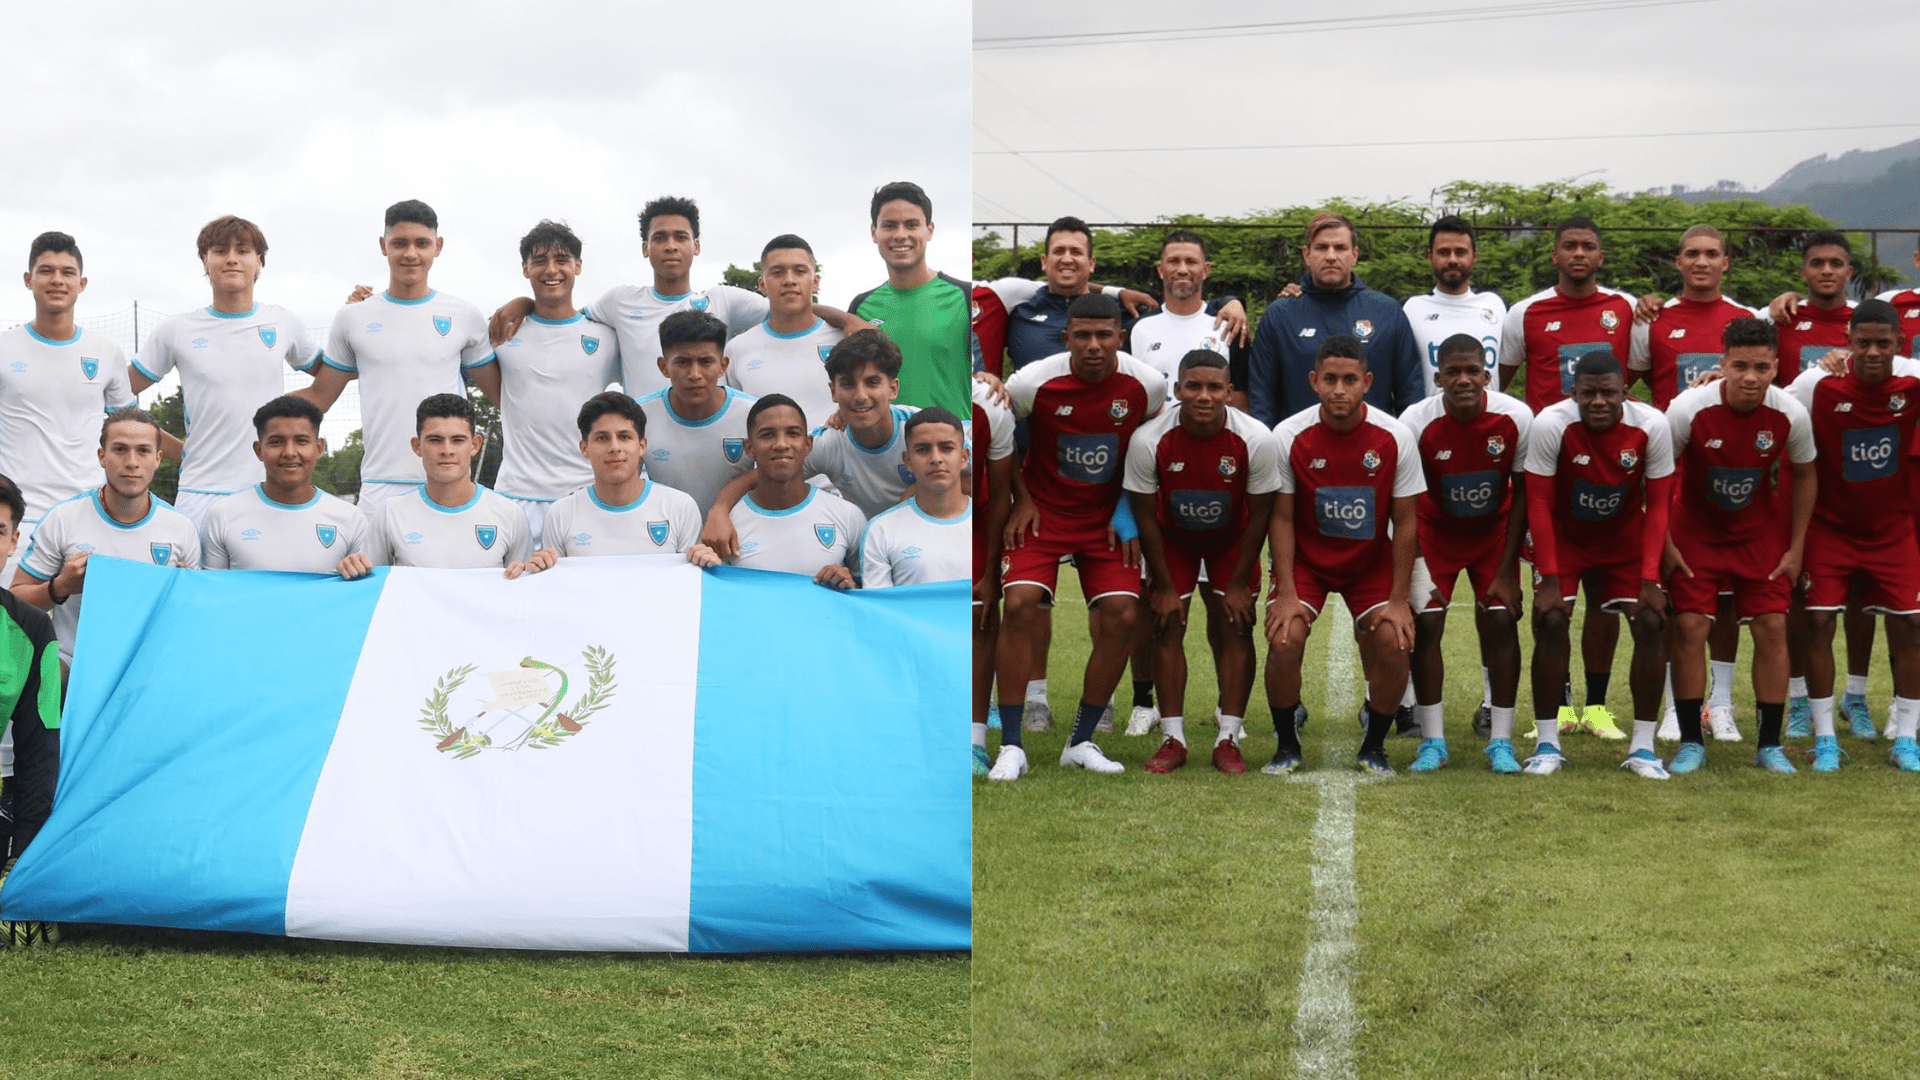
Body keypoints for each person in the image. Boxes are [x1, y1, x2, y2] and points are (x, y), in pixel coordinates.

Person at [992, 293, 1165, 781]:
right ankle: (1010, 745)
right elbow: (1002, 440)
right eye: (1082, 336)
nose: (1093, 345)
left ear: (1120, 338)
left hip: (1106, 518)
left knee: (1124, 612)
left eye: (1103, 335)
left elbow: (1152, 442)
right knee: (1021, 603)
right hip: (1041, 515)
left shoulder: (1146, 385)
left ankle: (1081, 740)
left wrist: (1128, 505)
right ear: (1065, 338)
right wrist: (1021, 499)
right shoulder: (1032, 382)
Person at [1501, 216, 1639, 739]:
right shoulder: (1527, 312)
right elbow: (1504, 382)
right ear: (1554, 255)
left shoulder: (1624, 308)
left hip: (1609, 474)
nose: (1579, 254)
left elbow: (1639, 375)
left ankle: (1597, 708)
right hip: (1549, 474)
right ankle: (1556, 710)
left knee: (1604, 600)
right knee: (1552, 601)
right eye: (1569, 246)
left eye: (1589, 246)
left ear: (1601, 256)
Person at [1263, 334, 1424, 776]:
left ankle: (1374, 744)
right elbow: (1281, 518)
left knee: (1394, 641)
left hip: (1369, 563)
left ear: (1367, 382)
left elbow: (1406, 521)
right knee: (1284, 637)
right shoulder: (1289, 435)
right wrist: (1288, 592)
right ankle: (1286, 742)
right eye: (1329, 379)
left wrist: (1397, 600)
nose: (1339, 389)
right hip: (1307, 563)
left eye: (1349, 379)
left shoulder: (1395, 436)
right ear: (1313, 381)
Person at [1663, 318, 1816, 774]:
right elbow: (1659, 474)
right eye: (1741, 366)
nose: (1751, 377)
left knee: (1771, 627)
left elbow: (1806, 474)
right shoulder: (1687, 408)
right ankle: (1691, 741)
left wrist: (1796, 548)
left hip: (1758, 534)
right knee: (1690, 627)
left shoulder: (1791, 413)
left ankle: (1769, 745)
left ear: (1775, 367)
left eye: (1762, 367)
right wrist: (1666, 544)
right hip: (1697, 533)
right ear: (1723, 364)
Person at [1123, 350, 1279, 775]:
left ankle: (1228, 738)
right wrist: (1165, 586)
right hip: (1173, 541)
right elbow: (1144, 515)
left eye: (1215, 387)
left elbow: (1261, 513)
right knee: (1166, 623)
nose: (1204, 396)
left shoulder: (1257, 438)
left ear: (1230, 392)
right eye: (1194, 386)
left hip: (1233, 540)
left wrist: (1239, 584)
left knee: (1236, 623)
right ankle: (1173, 738)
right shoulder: (1149, 439)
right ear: (1177, 390)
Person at [1522, 351, 1675, 778]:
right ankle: (1548, 742)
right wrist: (1549, 577)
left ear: (1625, 392)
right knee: (1551, 619)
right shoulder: (1551, 423)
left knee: (1650, 621)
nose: (1598, 402)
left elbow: (1659, 503)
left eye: (1608, 393)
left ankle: (1643, 747)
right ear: (1574, 393)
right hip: (1566, 538)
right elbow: (1538, 500)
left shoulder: (1652, 425)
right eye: (1588, 393)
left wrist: (1649, 577)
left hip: (1623, 539)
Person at [1785, 300, 1920, 772]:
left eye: (1883, 343)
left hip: (1893, 532)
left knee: (1910, 628)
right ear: (1848, 342)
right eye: (1863, 343)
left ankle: (1906, 737)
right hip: (1831, 529)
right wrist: (1710, 382)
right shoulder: (1816, 385)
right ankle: (1824, 738)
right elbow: (1771, 404)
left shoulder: (1914, 384)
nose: (1873, 352)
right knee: (1819, 623)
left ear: (1899, 344)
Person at [128, 215, 324, 530]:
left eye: (243, 250)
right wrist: (170, 448)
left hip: (269, 492)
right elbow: (119, 395)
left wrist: (355, 318)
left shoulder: (284, 323)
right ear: (205, 261)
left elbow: (333, 375)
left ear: (259, 262)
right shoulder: (177, 330)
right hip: (200, 494)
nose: (232, 258)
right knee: (192, 578)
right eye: (220, 250)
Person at [309, 200, 497, 522]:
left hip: (448, 483)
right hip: (379, 487)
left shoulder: (464, 315)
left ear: (437, 247)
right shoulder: (353, 317)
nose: (411, 253)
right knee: (374, 574)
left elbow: (503, 395)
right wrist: (248, 417)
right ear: (384, 246)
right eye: (400, 243)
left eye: (422, 243)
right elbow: (319, 397)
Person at [1399, 335, 1534, 773]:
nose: (1462, 380)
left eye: (1472, 371)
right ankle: (1432, 741)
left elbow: (1524, 494)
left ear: (1487, 375)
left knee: (1500, 618)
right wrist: (1418, 568)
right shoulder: (1415, 421)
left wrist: (1510, 568)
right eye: (1452, 372)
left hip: (1493, 532)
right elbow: (1404, 501)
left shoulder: (1515, 416)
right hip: (1435, 530)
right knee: (1427, 621)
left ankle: (1501, 741)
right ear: (1437, 377)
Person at [1768, 232, 1877, 738]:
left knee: (1858, 592)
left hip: (1857, 475)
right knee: (1794, 591)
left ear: (1850, 271)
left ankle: (1855, 697)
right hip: (1799, 473)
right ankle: (1796, 700)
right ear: (1803, 272)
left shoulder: (1868, 321)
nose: (1827, 271)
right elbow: (1748, 363)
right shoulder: (1783, 320)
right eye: (1817, 263)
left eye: (1836, 263)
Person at [12, 407, 201, 668]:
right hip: (73, 665)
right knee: (44, 676)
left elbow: (194, 619)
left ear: (158, 458)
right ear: (102, 456)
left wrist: (188, 595)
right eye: (120, 449)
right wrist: (60, 587)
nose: (132, 461)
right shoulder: (63, 518)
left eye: (143, 451)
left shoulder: (181, 528)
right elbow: (15, 601)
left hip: (148, 667)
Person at [0, 232, 137, 580]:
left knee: (83, 631)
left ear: (82, 283)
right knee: (14, 630)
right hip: (17, 516)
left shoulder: (106, 353)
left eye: (67, 271)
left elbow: (131, 428)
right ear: (29, 280)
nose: (57, 280)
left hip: (88, 516)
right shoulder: (5, 348)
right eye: (46, 271)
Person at [486, 220, 622, 541]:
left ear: (578, 266)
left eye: (561, 260)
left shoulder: (605, 335)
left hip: (586, 493)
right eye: (539, 261)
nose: (551, 270)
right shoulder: (500, 331)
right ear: (525, 268)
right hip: (515, 496)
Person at [1248, 212, 1423, 427]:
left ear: (1355, 255)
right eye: (1321, 248)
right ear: (1307, 255)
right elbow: (1261, 395)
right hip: (1299, 452)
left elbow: (1410, 394)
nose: (1331, 256)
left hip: (1373, 454)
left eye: (1340, 248)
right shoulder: (1280, 315)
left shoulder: (1388, 312)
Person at [685, 394, 867, 585]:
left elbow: (870, 597)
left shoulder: (847, 515)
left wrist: (851, 586)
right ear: (749, 448)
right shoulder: (726, 527)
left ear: (808, 445)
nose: (781, 444)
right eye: (767, 435)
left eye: (793, 433)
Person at [366, 394, 542, 577]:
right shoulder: (390, 514)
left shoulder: (509, 514)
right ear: (417, 446)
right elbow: (370, 586)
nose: (447, 451)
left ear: (474, 445)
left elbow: (523, 588)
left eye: (458, 440)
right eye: (435, 440)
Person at [200, 396, 371, 574]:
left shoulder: (350, 519)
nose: (289, 452)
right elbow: (211, 592)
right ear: (259, 450)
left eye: (301, 441)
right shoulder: (222, 515)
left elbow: (366, 591)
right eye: (276, 442)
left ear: (319, 448)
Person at [849, 181, 979, 414]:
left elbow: (984, 374)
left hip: (951, 446)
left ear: (929, 230)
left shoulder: (965, 297)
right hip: (884, 448)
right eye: (889, 225)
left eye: (911, 225)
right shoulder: (861, 308)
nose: (901, 235)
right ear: (874, 233)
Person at [0, 474, 62, 940]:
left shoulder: (32, 627)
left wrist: (25, 865)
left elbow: (39, 750)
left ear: (14, 542)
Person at [536, 391, 701, 558]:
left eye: (624, 437)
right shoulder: (560, 514)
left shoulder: (681, 507)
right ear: (584, 448)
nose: (615, 447)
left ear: (642, 446)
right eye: (602, 438)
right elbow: (552, 582)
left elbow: (691, 580)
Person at [634, 310, 758, 518]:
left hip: (736, 541)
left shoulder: (753, 414)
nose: (694, 375)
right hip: (669, 545)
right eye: (682, 362)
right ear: (664, 367)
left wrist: (722, 508)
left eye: (706, 362)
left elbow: (776, 474)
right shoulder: (638, 416)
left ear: (723, 365)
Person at [725, 234, 844, 427]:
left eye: (799, 271)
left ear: (815, 281)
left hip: (836, 457)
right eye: (778, 272)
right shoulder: (737, 349)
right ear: (762, 285)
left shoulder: (842, 340)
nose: (789, 280)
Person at [860, 408, 971, 587]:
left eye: (947, 448)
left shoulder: (986, 524)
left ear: (964, 457)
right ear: (908, 461)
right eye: (923, 449)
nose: (936, 458)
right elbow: (881, 608)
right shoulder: (881, 530)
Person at [1403, 216, 1508, 398]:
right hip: (1434, 422)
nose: (1452, 260)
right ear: (1430, 256)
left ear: (1474, 256)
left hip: (1488, 421)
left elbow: (1507, 366)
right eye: (1444, 252)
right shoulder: (1413, 309)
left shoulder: (1495, 305)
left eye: (1460, 252)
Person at [973, 377, 1016, 776]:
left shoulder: (988, 402)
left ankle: (974, 741)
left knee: (980, 619)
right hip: (917, 516)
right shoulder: (906, 391)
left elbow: (1001, 492)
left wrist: (991, 571)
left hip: (977, 520)